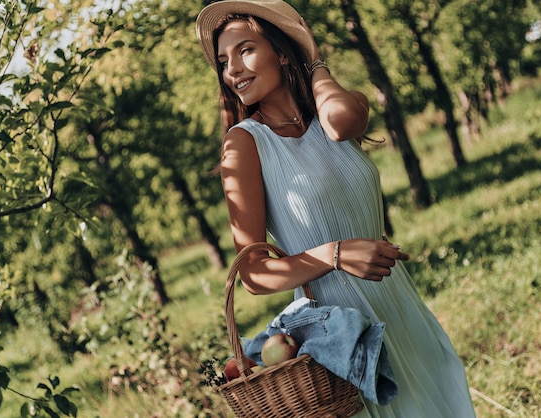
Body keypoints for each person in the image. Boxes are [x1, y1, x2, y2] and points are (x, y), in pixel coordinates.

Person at [196, 1, 476, 416]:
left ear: (282, 51)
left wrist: (314, 62)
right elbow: (253, 273)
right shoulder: (244, 143)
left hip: (398, 303)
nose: (232, 69)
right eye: (223, 60)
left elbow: (341, 121)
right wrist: (335, 254)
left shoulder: (333, 114)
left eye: (246, 50)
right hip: (338, 329)